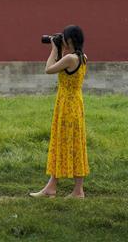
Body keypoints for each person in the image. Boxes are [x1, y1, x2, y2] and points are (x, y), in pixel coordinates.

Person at [30, 25, 89, 198]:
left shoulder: (70, 59)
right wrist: (60, 48)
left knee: (64, 143)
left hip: (67, 106)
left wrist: (53, 49)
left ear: (69, 40)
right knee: (71, 144)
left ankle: (75, 191)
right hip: (75, 103)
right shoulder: (82, 57)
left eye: (63, 38)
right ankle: (54, 186)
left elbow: (48, 69)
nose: (61, 40)